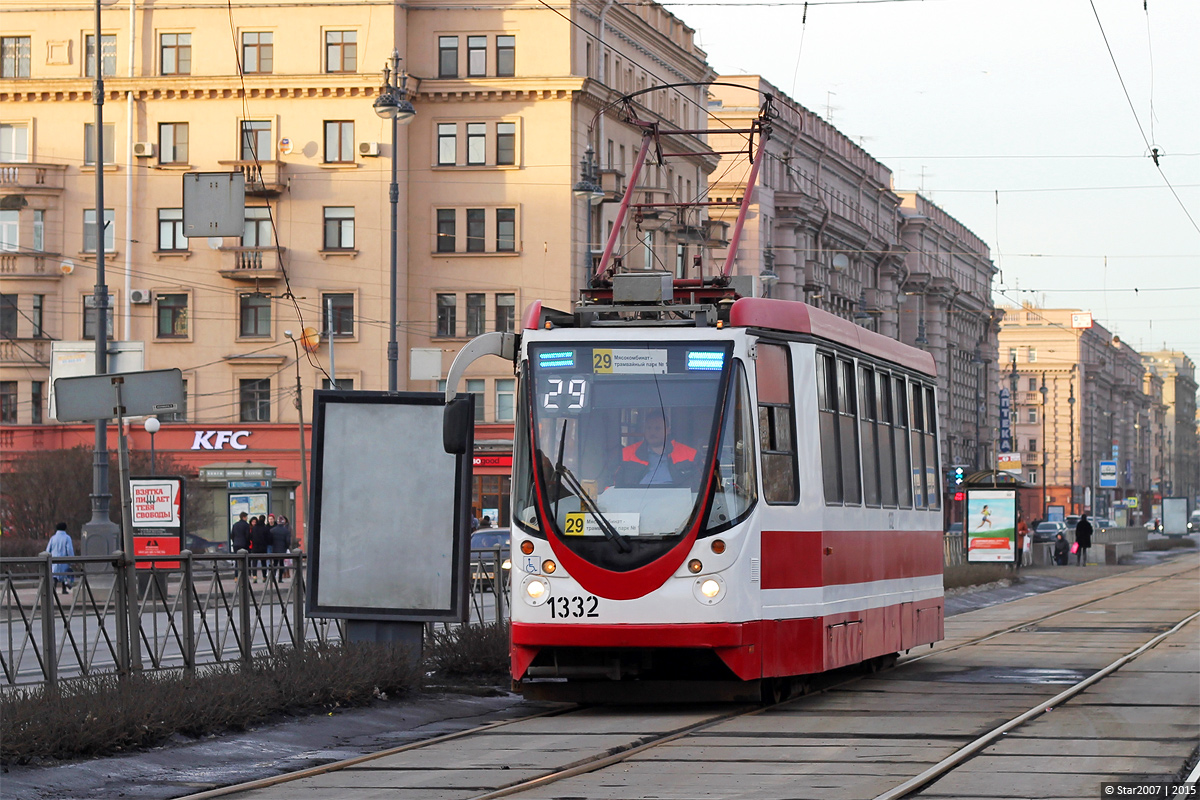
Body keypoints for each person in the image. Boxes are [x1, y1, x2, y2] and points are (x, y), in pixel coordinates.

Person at [613, 411, 698, 487]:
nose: (652, 432)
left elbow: (700, 486)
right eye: (649, 428)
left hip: (676, 501)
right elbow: (611, 484)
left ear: (668, 430)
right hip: (636, 500)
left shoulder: (690, 454)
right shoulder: (625, 454)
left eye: (657, 428)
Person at [48, 522, 75, 594]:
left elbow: (48, 549)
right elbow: (69, 549)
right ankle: (64, 589)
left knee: (55, 575)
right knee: (64, 574)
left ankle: (53, 588)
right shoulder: (67, 538)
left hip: (54, 560)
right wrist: (71, 559)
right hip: (64, 559)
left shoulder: (53, 538)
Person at [270, 515, 292, 580]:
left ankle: (273, 578)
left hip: (275, 548)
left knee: (275, 563)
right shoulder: (286, 531)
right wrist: (287, 547)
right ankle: (280, 579)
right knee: (282, 563)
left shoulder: (272, 530)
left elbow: (270, 540)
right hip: (283, 549)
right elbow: (288, 541)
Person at [249, 515, 270, 581]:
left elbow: (251, 536)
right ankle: (264, 577)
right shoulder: (265, 528)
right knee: (263, 563)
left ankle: (254, 576)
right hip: (263, 548)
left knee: (254, 563)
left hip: (255, 547)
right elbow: (268, 538)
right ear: (264, 520)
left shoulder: (254, 528)